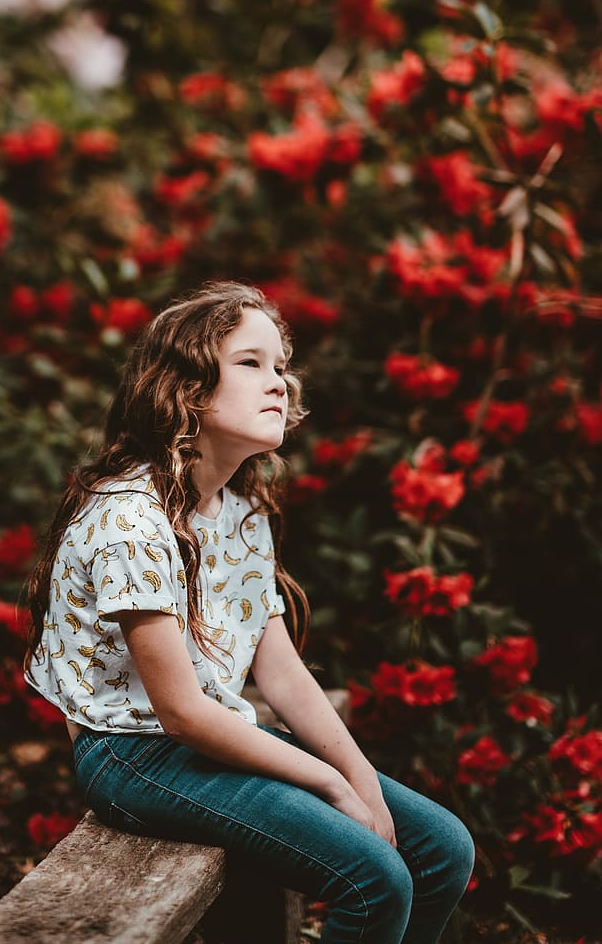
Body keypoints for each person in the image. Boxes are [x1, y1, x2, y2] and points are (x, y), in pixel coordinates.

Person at [24, 280, 474, 943]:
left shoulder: (240, 511)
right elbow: (178, 712)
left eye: (282, 368)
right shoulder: (130, 518)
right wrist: (329, 784)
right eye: (251, 363)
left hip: (210, 737)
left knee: (443, 850)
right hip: (132, 757)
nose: (280, 385)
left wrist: (358, 778)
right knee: (374, 880)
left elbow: (282, 674)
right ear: (188, 389)